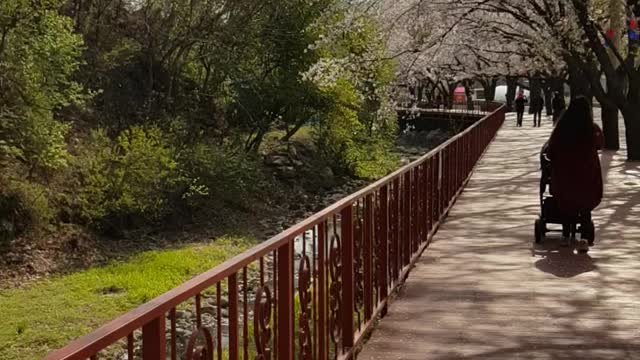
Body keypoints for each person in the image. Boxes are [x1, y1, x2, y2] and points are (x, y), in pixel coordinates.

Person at [545, 96, 603, 252]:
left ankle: (566, 236)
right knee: (585, 207)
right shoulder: (592, 128)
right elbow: (600, 144)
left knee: (566, 204)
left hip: (565, 174)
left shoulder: (561, 128)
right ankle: (583, 239)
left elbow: (551, 150)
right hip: (587, 175)